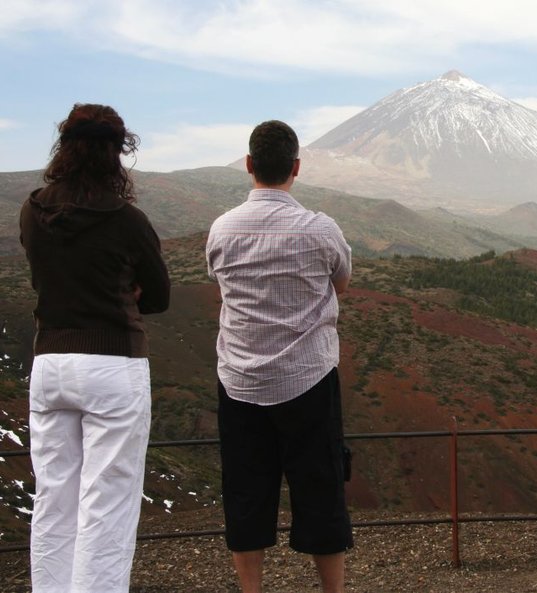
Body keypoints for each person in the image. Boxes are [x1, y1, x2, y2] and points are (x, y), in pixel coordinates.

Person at [19, 103, 171, 592]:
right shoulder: (127, 220)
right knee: (107, 504)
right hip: (111, 366)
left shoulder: (32, 209)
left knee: (54, 500)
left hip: (49, 364)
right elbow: (161, 295)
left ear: (64, 146)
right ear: (116, 153)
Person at [206, 120, 354, 593]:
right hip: (307, 380)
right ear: (296, 168)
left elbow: (220, 283)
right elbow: (342, 282)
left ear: (249, 165)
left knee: (246, 495)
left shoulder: (223, 228)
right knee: (321, 491)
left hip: (240, 384)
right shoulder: (320, 229)